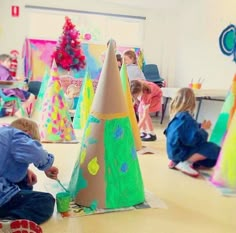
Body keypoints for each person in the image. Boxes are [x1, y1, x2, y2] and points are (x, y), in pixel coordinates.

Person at [0, 118, 59, 230]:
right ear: (27, 134)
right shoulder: (17, 136)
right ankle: (11, 221)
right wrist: (47, 166)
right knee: (45, 200)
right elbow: (37, 153)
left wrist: (25, 171)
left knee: (25, 179)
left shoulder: (3, 133)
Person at [163, 87, 221, 177]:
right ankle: (185, 162)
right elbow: (194, 140)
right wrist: (203, 130)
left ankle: (176, 161)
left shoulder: (176, 117)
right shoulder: (187, 118)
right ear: (192, 103)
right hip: (180, 153)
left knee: (211, 161)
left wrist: (199, 126)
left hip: (173, 152)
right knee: (213, 148)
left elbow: (180, 132)